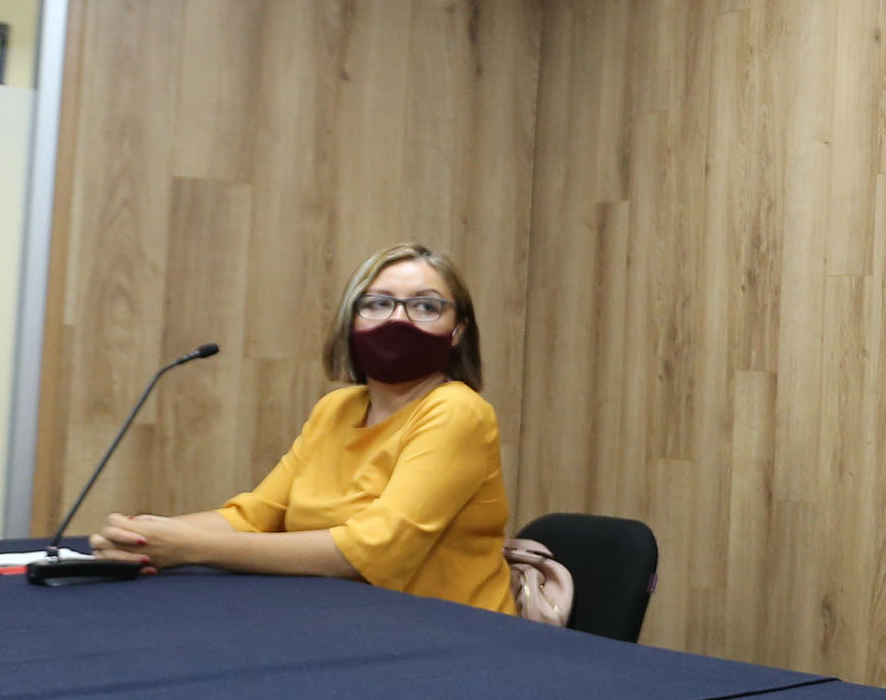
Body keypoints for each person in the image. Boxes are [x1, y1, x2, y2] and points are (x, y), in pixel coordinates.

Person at [88, 243, 568, 623]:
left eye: (425, 306)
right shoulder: (336, 409)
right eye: (379, 304)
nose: (398, 319)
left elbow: (371, 551)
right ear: (351, 321)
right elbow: (256, 515)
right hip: (340, 619)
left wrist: (190, 547)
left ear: (457, 330)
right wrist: (148, 535)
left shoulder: (457, 411)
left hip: (448, 635)